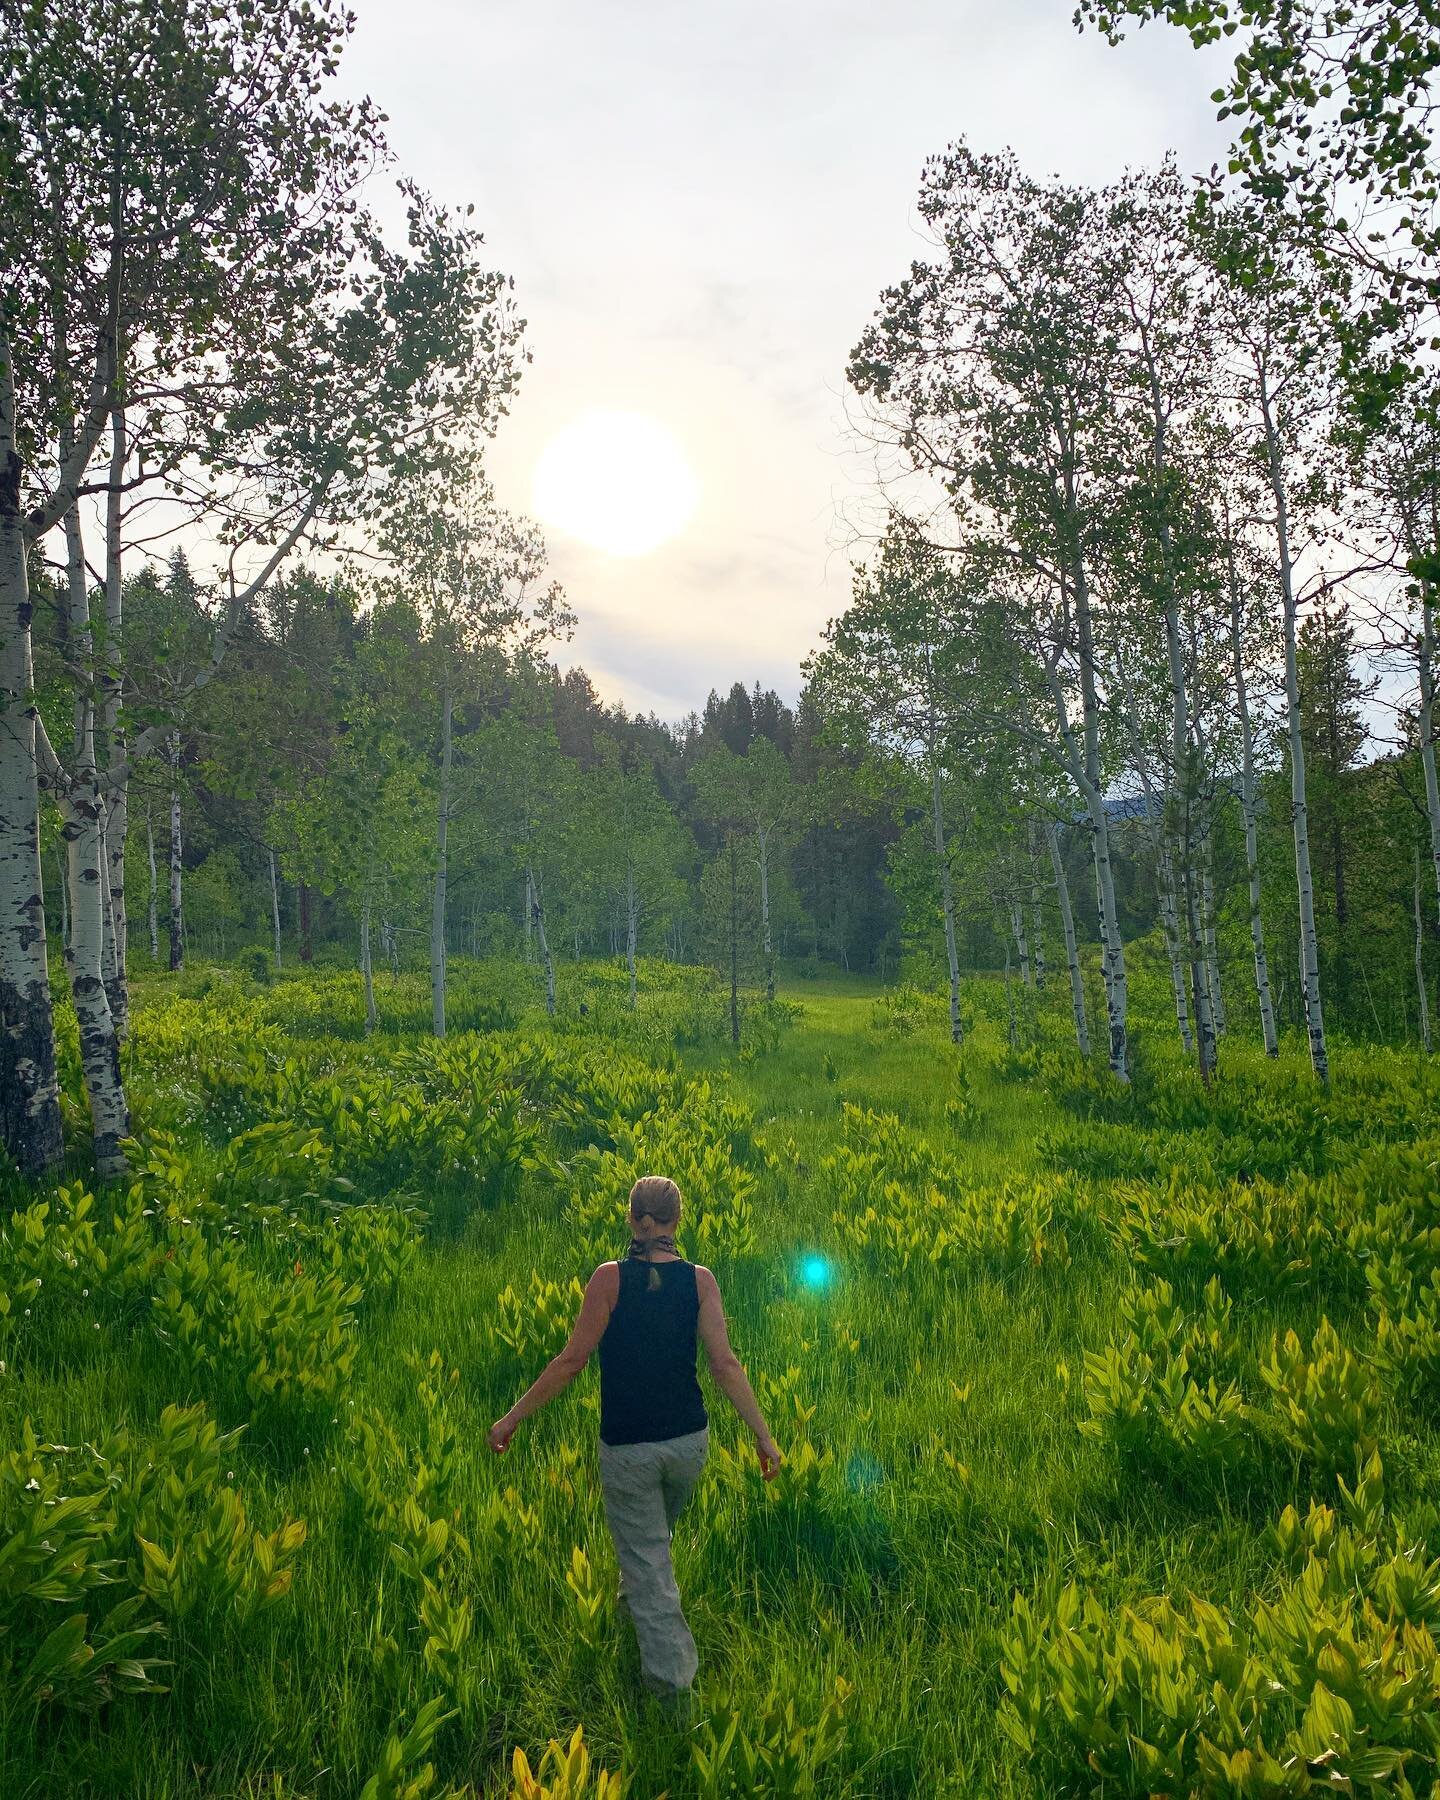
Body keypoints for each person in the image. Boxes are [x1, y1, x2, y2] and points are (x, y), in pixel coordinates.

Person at [488, 1174, 781, 1700]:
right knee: (649, 1548)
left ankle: (672, 1695)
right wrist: (764, 1436)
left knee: (651, 1567)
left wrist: (510, 1419)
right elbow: (725, 1364)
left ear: (631, 1219)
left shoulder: (609, 1280)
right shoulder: (700, 1281)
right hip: (689, 1445)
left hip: (629, 1450)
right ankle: (635, 1609)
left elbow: (571, 1361)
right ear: (678, 1220)